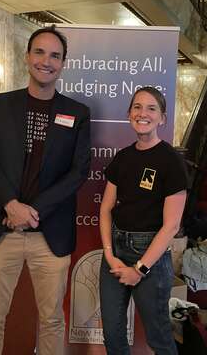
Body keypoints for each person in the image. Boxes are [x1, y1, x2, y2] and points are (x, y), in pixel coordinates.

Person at [0, 25, 91, 355]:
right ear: (27, 57)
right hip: (1, 226)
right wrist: (11, 205)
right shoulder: (0, 105)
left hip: (49, 233)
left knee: (52, 319)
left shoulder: (78, 113)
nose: (46, 61)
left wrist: (31, 211)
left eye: (55, 55)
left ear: (63, 63)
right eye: (39, 52)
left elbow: (77, 172)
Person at [99, 86, 188, 355]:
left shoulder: (171, 161)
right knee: (112, 334)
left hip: (149, 253)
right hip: (114, 251)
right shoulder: (122, 158)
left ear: (162, 118)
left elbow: (171, 225)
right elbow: (105, 209)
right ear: (129, 114)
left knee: (159, 336)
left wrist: (139, 269)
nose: (142, 113)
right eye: (137, 107)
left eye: (151, 108)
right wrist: (109, 254)